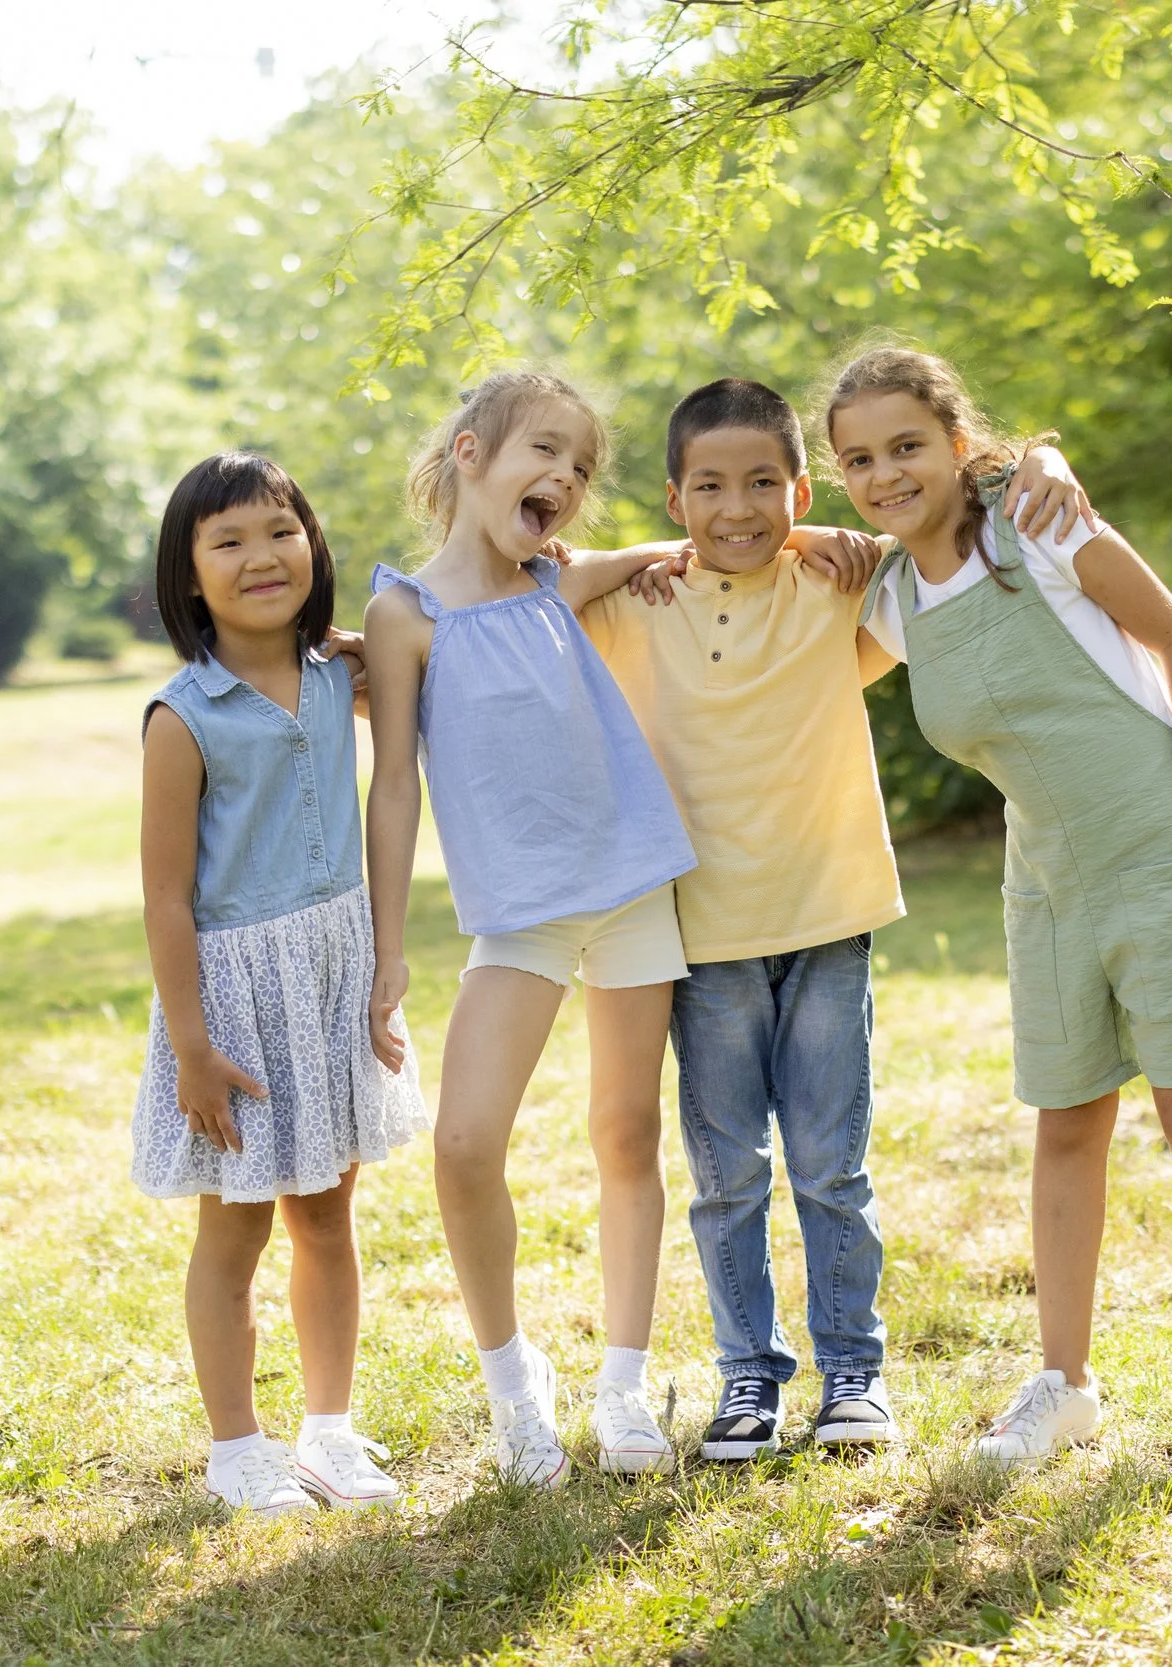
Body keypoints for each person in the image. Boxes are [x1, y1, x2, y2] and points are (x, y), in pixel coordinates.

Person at [581, 378, 1095, 1462]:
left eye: (764, 483)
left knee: (830, 1165)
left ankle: (853, 1373)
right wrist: (631, 558)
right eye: (710, 486)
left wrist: (1031, 463)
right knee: (728, 1176)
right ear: (674, 497)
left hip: (827, 918)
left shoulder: (836, 586)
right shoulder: (640, 605)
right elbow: (524, 596)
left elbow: (946, 519)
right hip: (702, 936)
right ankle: (747, 1379)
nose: (738, 506)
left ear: (801, 488)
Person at [826, 347, 1172, 1485]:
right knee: (1066, 1123)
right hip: (1041, 878)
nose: (887, 473)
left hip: (1159, 848)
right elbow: (782, 649)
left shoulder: (1035, 518)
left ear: (955, 440)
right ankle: (1065, 1383)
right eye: (858, 460)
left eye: (906, 446)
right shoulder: (888, 592)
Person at [361, 371, 709, 1485]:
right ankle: (517, 1391)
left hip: (629, 885)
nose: (564, 478)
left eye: (581, 468)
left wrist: (681, 551)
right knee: (463, 1143)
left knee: (627, 1134)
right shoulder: (404, 614)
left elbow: (670, 551)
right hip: (520, 915)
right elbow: (396, 788)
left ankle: (622, 1383)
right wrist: (386, 947)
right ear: (469, 453)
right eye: (543, 452)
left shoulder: (559, 581)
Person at [132, 451, 431, 1518]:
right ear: (190, 573)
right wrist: (193, 1043)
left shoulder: (335, 675)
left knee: (327, 1215)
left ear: (312, 542)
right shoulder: (185, 715)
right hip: (238, 1000)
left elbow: (437, 662)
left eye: (280, 530)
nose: (262, 555)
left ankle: (330, 1431)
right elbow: (167, 898)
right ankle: (237, 1446)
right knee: (236, 1228)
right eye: (229, 540)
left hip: (333, 971)